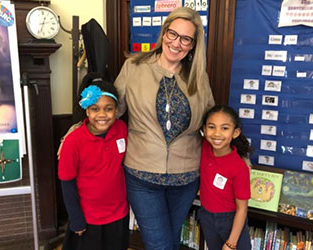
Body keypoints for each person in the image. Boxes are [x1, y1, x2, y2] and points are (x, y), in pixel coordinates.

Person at [59, 6, 214, 249]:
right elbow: (110, 108)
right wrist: (77, 127)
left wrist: (234, 151)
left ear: (193, 44)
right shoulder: (134, 67)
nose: (177, 43)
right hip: (142, 177)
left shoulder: (198, 76)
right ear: (164, 33)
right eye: (172, 34)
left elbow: (210, 122)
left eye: (186, 39)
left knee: (171, 240)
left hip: (185, 179)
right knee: (159, 245)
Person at [58, 74, 129, 250]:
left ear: (116, 110)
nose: (102, 115)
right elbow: (67, 183)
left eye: (108, 109)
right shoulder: (73, 141)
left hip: (118, 214)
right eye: (95, 109)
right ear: (87, 111)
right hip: (88, 218)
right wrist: (76, 220)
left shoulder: (121, 129)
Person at [199, 105, 252, 250]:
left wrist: (231, 243)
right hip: (207, 216)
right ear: (204, 129)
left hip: (231, 220)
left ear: (235, 132)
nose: (217, 133)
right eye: (211, 127)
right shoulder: (204, 147)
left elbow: (242, 209)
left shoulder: (239, 167)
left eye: (224, 128)